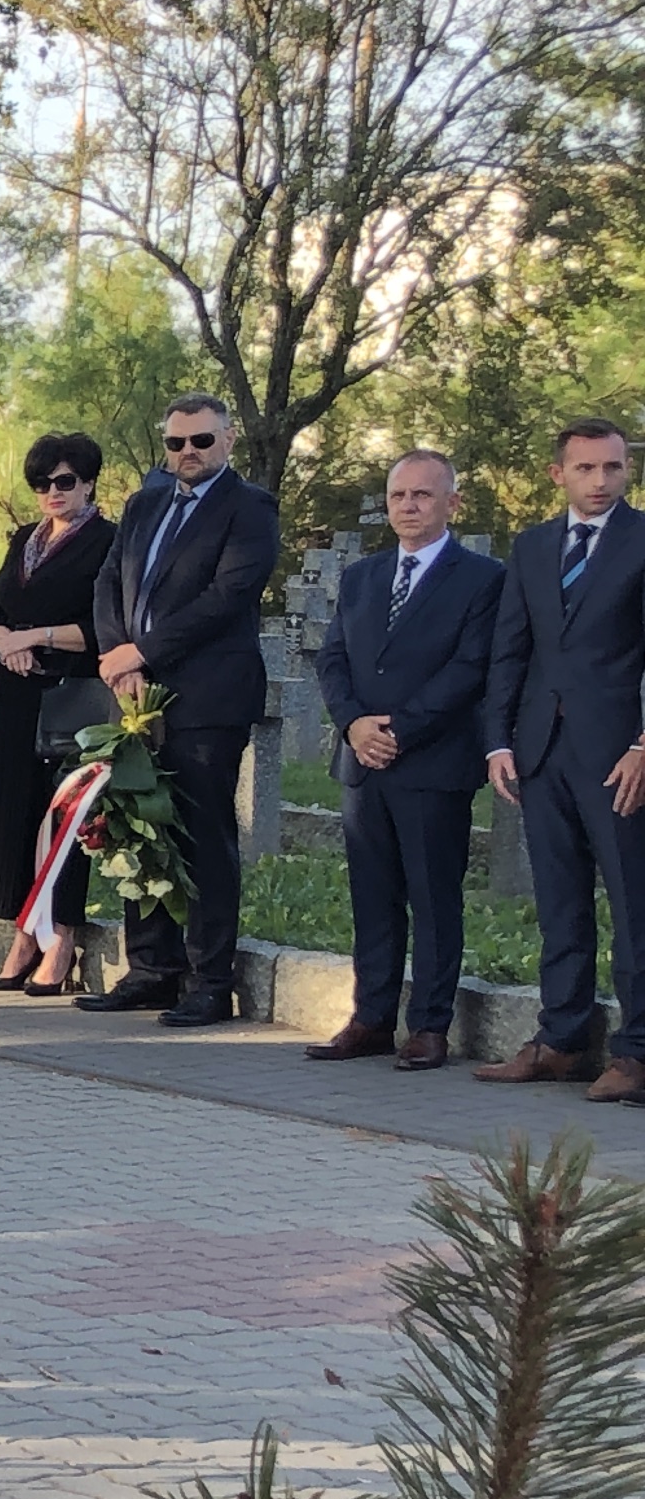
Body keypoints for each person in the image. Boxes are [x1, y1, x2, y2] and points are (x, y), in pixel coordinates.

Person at [80, 393, 280, 1025]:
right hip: (134, 696)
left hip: (205, 700)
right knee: (140, 829)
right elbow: (107, 582)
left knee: (202, 838)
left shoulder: (249, 507)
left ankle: (209, 980)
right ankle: (151, 969)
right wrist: (118, 658)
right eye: (176, 442)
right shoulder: (145, 504)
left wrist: (142, 652)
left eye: (201, 440)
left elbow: (228, 595)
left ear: (228, 439)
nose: (187, 452)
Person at [309, 453, 498, 1072]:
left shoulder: (482, 579)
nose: (409, 506)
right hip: (362, 761)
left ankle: (429, 1027)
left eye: (423, 495)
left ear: (452, 503)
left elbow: (469, 668)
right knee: (373, 896)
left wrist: (400, 731)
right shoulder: (363, 577)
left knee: (433, 897)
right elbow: (333, 658)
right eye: (398, 495)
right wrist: (354, 725)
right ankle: (371, 1018)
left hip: (432, 764)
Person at [475, 418, 645, 1093]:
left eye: (613, 467)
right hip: (541, 751)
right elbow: (510, 649)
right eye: (586, 468)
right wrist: (498, 740)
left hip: (620, 756)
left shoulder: (641, 540)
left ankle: (635, 1052)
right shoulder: (534, 546)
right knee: (559, 902)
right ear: (558, 474)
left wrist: (643, 744)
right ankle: (561, 1039)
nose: (600, 480)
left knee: (633, 902)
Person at [0, 436, 114, 992]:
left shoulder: (106, 542)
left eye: (64, 481)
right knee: (16, 816)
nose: (52, 492)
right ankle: (24, 934)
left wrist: (36, 636)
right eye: (41, 483)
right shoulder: (24, 539)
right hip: (18, 694)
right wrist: (7, 642)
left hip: (72, 696)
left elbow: (102, 627)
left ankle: (62, 937)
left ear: (88, 483)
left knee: (64, 817)